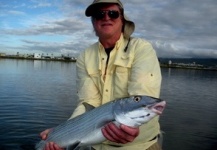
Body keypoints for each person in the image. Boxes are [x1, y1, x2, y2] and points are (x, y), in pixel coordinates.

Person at [40, 0, 162, 150]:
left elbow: (141, 95)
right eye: (99, 14)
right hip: (97, 146)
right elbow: (87, 103)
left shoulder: (141, 48)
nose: (106, 18)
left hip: (141, 146)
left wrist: (131, 127)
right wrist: (60, 132)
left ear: (122, 19)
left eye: (113, 13)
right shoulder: (85, 56)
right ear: (93, 22)